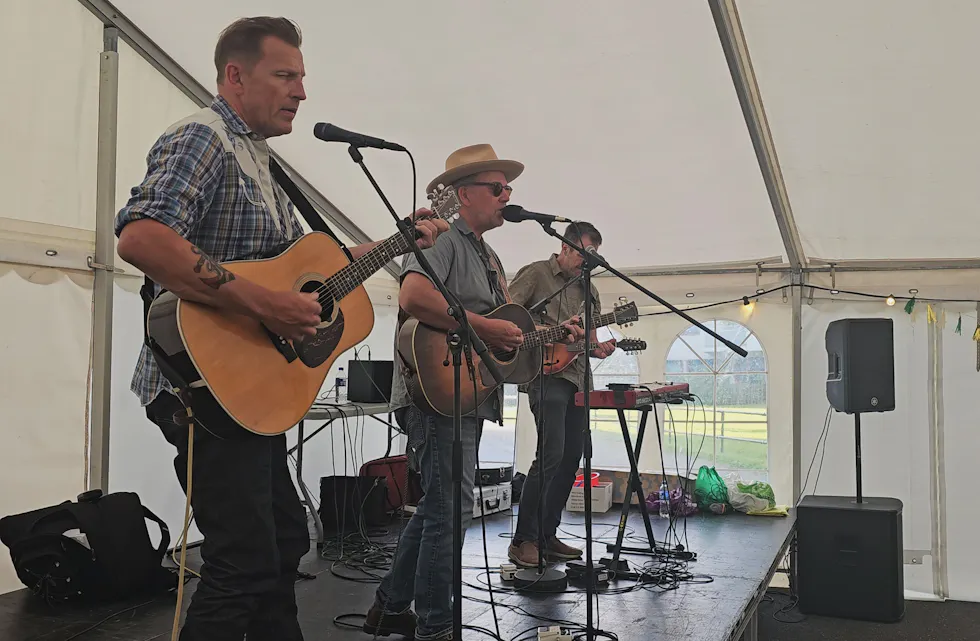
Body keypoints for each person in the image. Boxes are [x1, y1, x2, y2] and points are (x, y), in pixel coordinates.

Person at [113, 17, 447, 641]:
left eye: (302, 77)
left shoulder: (262, 163)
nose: (301, 91)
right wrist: (267, 306)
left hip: (251, 392)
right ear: (235, 76)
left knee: (285, 541)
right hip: (202, 386)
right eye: (285, 75)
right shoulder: (203, 138)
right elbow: (142, 237)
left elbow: (311, 270)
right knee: (241, 560)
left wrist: (398, 242)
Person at [364, 144, 585, 640]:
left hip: (469, 393)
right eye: (497, 187)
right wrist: (485, 327)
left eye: (509, 188)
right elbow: (413, 295)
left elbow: (508, 332)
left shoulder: (490, 258)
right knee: (451, 507)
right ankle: (436, 625)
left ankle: (389, 606)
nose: (507, 196)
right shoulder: (443, 238)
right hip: (435, 389)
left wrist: (554, 335)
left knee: (441, 506)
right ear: (465, 194)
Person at [504, 222, 616, 568]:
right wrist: (550, 332)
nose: (587, 262)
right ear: (565, 247)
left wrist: (599, 348)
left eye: (593, 256)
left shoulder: (589, 290)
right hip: (545, 374)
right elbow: (505, 317)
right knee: (550, 454)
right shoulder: (537, 274)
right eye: (583, 254)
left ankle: (546, 535)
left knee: (571, 458)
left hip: (579, 379)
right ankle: (523, 540)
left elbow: (589, 340)